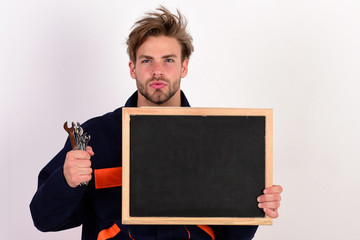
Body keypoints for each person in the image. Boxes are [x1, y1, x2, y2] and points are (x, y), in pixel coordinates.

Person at [30, 6, 283, 240]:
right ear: (133, 68)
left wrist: (253, 206)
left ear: (184, 67)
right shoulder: (94, 136)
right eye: (147, 60)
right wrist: (66, 182)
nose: (157, 71)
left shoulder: (218, 139)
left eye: (169, 60)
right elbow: (44, 219)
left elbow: (230, 237)